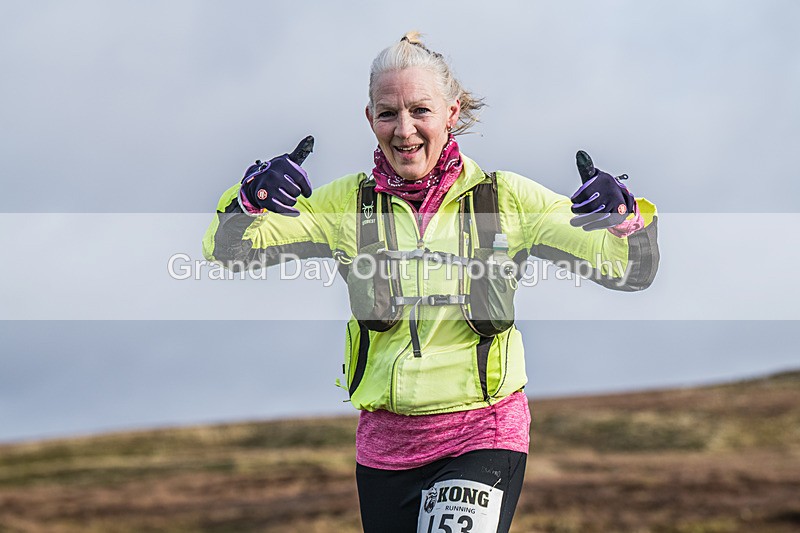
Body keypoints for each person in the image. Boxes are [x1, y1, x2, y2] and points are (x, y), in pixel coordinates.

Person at [203, 31, 659, 533]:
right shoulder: (344, 206)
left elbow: (628, 269)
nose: (404, 130)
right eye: (387, 113)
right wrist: (248, 201)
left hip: (482, 431)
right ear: (369, 119)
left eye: (420, 110)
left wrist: (626, 219)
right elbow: (231, 251)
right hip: (384, 448)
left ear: (452, 112)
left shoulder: (505, 198)